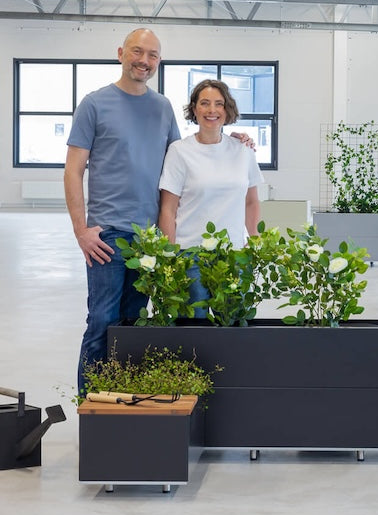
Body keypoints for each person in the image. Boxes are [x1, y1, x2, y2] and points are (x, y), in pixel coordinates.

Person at [65, 28, 180, 394]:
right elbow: (73, 170)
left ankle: (121, 404)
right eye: (137, 51)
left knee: (133, 324)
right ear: (121, 53)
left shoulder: (163, 108)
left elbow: (182, 161)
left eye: (152, 55)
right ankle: (91, 407)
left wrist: (233, 140)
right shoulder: (94, 104)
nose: (144, 61)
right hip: (108, 236)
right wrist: (81, 230)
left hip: (148, 239)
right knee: (102, 321)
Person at [157, 80, 263, 311]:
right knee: (194, 326)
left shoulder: (243, 150)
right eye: (204, 103)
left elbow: (251, 202)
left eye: (219, 104)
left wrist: (255, 243)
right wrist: (169, 257)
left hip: (234, 255)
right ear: (194, 109)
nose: (212, 110)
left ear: (227, 109)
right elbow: (168, 209)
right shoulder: (179, 151)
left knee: (235, 323)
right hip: (190, 256)